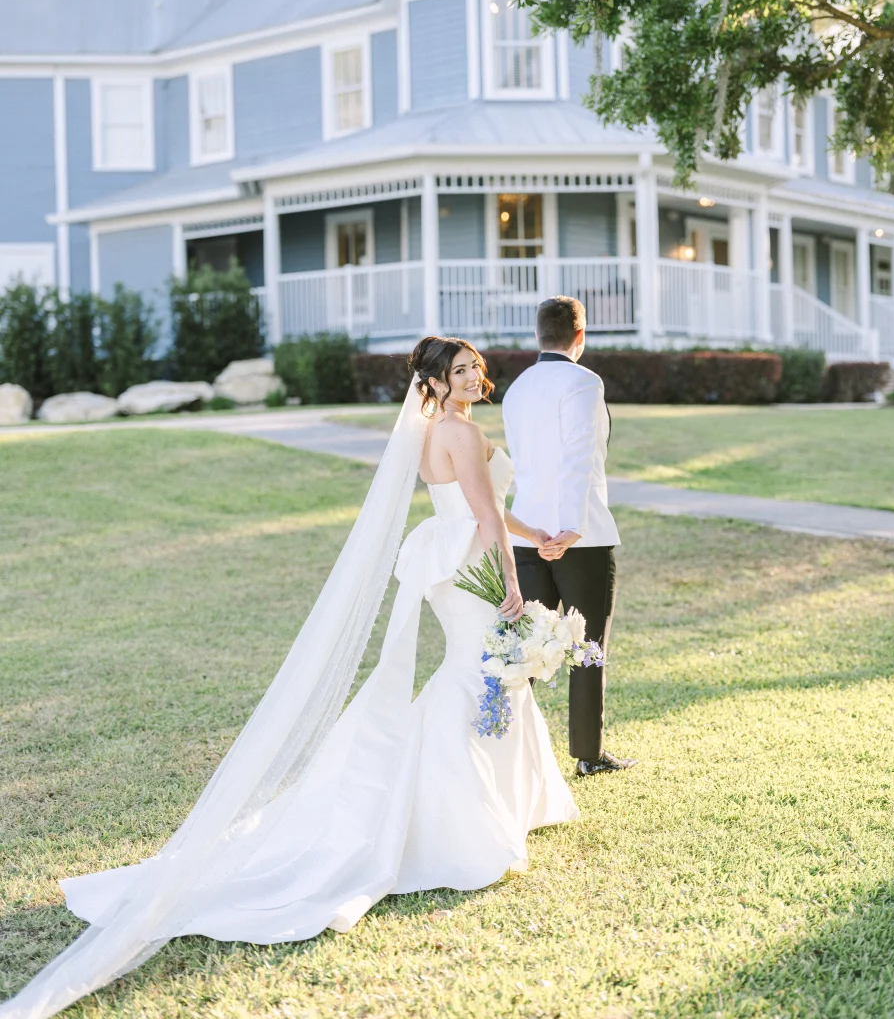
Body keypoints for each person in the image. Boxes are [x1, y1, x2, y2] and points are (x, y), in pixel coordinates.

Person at [1, 337, 578, 1019]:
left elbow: (483, 505)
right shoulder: (459, 429)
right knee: (485, 675)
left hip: (452, 565)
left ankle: (514, 798)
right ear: (436, 380)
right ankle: (462, 820)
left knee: (488, 676)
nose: (475, 377)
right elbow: (482, 517)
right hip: (478, 569)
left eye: (476, 367)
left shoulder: (428, 433)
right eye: (460, 370)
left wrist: (534, 531)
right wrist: (517, 583)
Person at [503, 296, 637, 776]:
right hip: (581, 537)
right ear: (580, 336)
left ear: (538, 334)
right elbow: (580, 455)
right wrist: (573, 526)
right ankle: (588, 755)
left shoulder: (516, 388)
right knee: (588, 648)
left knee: (528, 654)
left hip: (525, 534)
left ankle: (513, 755)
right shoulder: (584, 380)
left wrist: (543, 532)